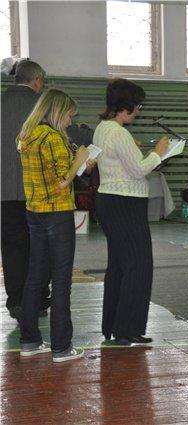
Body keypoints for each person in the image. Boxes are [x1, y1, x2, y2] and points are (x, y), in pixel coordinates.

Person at [93, 78, 169, 345]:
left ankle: (114, 326)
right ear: (127, 105)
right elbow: (138, 170)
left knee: (118, 266)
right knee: (138, 266)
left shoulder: (102, 128)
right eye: (138, 106)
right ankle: (127, 329)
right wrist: (159, 153)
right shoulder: (119, 133)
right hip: (125, 203)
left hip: (109, 200)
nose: (139, 111)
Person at [17, 89, 91, 362]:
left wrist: (75, 162)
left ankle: (30, 340)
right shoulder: (54, 139)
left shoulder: (26, 135)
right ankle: (62, 347)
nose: (71, 122)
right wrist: (79, 161)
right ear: (58, 112)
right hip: (57, 214)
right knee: (61, 281)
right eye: (70, 115)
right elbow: (62, 181)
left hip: (34, 212)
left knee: (35, 278)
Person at [1, 60, 51, 322]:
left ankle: (16, 302)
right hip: (38, 189)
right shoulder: (43, 105)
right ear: (37, 80)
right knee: (39, 246)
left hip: (5, 191)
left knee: (12, 248)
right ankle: (40, 299)